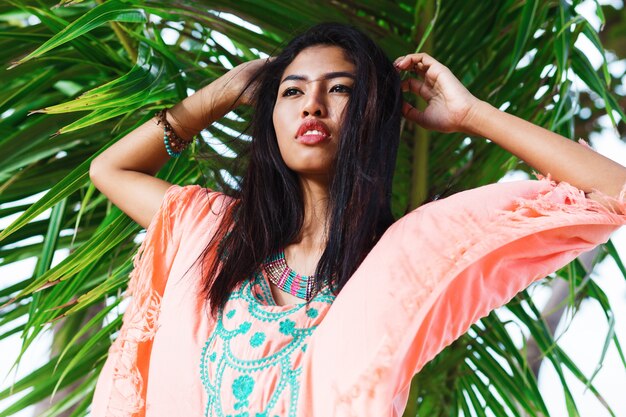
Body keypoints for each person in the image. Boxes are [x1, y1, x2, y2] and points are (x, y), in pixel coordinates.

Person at [88, 22, 626, 417]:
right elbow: (109, 168)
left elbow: (615, 191)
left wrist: (472, 116)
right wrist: (222, 93)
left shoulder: (409, 256)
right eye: (292, 91)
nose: (312, 105)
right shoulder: (213, 235)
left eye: (339, 89)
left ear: (374, 113)